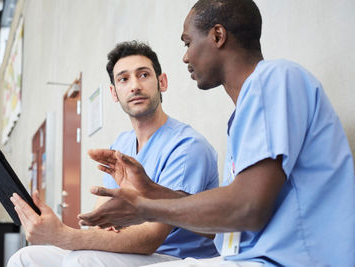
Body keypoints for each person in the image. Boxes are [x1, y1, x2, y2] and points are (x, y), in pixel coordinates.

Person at [80, 0, 355, 266]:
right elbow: (226, 221)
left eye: (188, 42)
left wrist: (144, 208)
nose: (185, 56)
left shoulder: (276, 78)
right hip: (249, 257)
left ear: (218, 35)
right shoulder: (244, 112)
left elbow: (247, 208)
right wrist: (151, 191)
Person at [7, 40, 220, 267]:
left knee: (81, 260)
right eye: (124, 79)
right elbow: (101, 217)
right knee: (25, 257)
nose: (135, 86)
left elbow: (151, 238)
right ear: (114, 92)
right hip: (135, 255)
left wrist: (63, 236)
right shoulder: (122, 144)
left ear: (162, 82)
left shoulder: (187, 146)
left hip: (175, 256)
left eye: (144, 75)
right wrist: (61, 228)